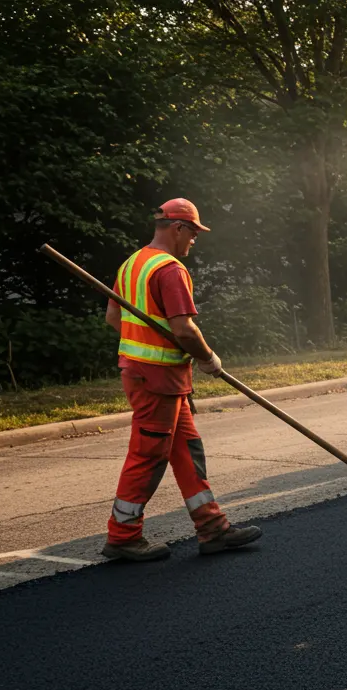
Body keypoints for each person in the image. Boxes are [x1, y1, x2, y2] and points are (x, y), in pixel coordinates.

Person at [102, 198, 262, 561]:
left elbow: (113, 317)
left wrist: (145, 345)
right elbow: (184, 330)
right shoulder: (170, 269)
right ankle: (123, 535)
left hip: (154, 376)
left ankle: (212, 528)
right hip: (156, 380)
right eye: (193, 233)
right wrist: (208, 358)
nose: (194, 240)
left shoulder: (132, 263)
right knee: (148, 455)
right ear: (178, 228)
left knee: (187, 450)